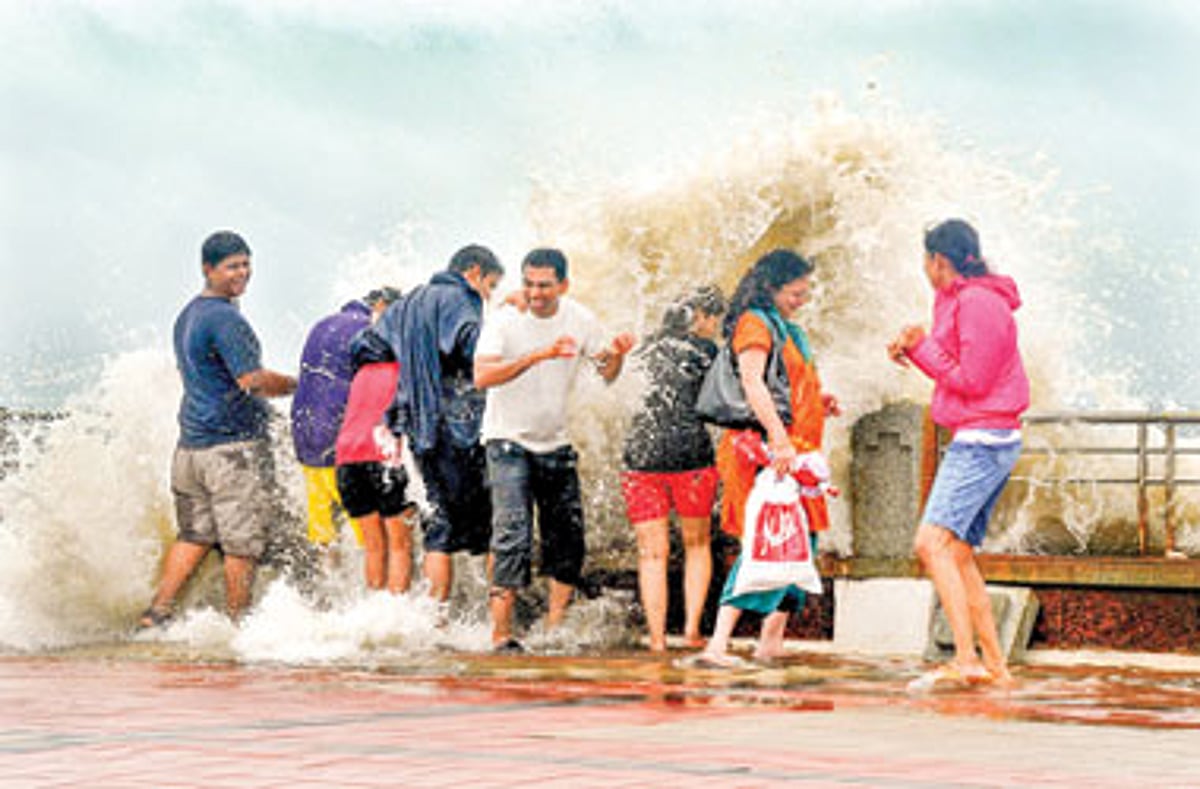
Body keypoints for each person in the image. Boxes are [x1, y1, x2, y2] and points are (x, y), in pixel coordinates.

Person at [888, 218, 1029, 690]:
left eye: (925, 260)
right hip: (981, 434)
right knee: (960, 552)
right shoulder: (955, 299)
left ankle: (966, 659)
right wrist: (915, 348)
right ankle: (995, 666)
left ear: (938, 261)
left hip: (984, 440)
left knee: (930, 545)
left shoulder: (979, 303)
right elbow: (955, 370)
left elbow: (974, 380)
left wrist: (923, 347)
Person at [474, 247, 636, 652]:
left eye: (544, 285)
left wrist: (616, 355)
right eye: (528, 283)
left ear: (563, 284)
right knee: (512, 534)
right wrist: (538, 356)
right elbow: (482, 376)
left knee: (567, 538)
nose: (535, 292)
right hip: (506, 440)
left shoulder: (580, 318)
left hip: (555, 441)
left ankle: (553, 628)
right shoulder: (505, 319)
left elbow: (606, 373)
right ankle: (501, 634)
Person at [139, 231, 297, 628]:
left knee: (194, 535)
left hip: (191, 448)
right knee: (241, 543)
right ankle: (238, 625)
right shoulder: (226, 319)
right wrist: (303, 385)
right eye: (232, 266)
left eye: (246, 264)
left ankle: (157, 612)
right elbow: (253, 381)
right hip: (231, 449)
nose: (242, 273)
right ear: (207, 269)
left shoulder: (188, 315)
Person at [697, 249, 840, 667]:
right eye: (796, 292)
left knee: (802, 542)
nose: (803, 298)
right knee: (767, 541)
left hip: (798, 453)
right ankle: (718, 644)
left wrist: (819, 400)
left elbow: (789, 385)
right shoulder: (754, 324)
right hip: (766, 452)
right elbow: (753, 384)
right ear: (772, 288)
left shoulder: (789, 330)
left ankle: (771, 640)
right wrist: (778, 439)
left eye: (805, 291)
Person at [375, 245, 504, 604]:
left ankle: (436, 623)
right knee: (495, 526)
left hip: (419, 431)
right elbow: (472, 346)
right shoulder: (460, 298)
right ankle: (500, 623)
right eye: (490, 286)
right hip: (460, 427)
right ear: (474, 272)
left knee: (439, 528)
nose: (488, 295)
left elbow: (366, 345)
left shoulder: (405, 304)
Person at [621, 285, 726, 652]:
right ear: (700, 316)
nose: (716, 326)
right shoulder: (707, 352)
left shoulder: (643, 349)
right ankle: (693, 630)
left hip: (642, 456)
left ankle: (657, 639)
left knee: (652, 553)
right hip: (690, 458)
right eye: (715, 318)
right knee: (697, 545)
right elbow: (720, 403)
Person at [291, 288, 402, 559]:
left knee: (324, 531)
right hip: (337, 438)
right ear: (381, 306)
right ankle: (366, 595)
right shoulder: (368, 331)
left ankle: (329, 593)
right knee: (369, 532)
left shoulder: (322, 324)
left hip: (303, 434)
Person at [335, 319, 418, 594]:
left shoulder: (360, 376)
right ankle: (394, 619)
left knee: (373, 546)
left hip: (346, 461)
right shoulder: (403, 374)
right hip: (384, 458)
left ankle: (374, 614)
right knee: (400, 545)